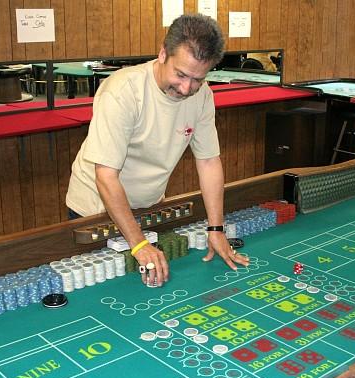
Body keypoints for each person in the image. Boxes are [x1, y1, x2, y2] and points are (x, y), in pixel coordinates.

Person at [66, 13, 250, 287]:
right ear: (163, 53)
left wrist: (216, 229)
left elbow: (209, 161)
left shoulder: (202, 95)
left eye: (198, 79)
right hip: (95, 212)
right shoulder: (122, 91)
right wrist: (138, 245)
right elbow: (105, 175)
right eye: (181, 74)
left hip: (147, 207)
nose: (187, 88)